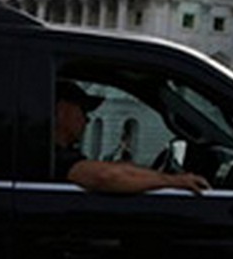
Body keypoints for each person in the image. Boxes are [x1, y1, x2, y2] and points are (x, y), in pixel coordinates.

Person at [54, 80, 210, 195]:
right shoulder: (53, 155)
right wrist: (174, 181)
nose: (87, 120)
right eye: (83, 110)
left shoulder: (61, 153)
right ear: (62, 111)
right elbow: (106, 177)